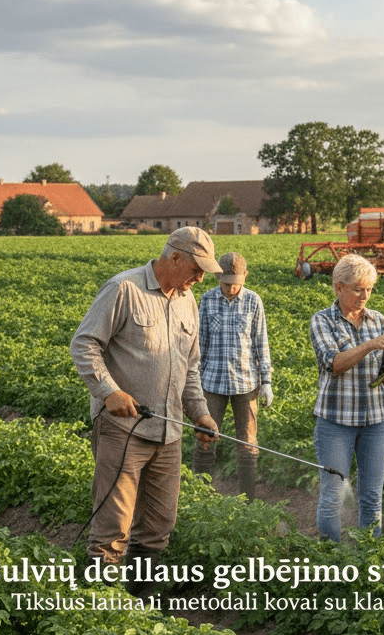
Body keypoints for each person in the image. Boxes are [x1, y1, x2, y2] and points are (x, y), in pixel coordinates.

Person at [71, 227, 221, 593]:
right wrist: (109, 391)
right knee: (112, 526)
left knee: (157, 527)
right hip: (124, 432)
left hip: (168, 433)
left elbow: (190, 369)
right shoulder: (125, 289)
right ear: (174, 258)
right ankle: (98, 610)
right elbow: (84, 344)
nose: (200, 278)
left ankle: (140, 610)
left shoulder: (188, 302)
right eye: (196, 269)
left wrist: (199, 413)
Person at [309, 253, 384, 542]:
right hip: (335, 422)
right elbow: (335, 364)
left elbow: (381, 375)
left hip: (376, 420)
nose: (365, 295)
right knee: (333, 493)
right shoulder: (322, 321)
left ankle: (368, 555)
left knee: (371, 495)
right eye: (357, 289)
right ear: (338, 287)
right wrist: (368, 346)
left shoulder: (378, 321)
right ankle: (329, 558)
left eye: (369, 289)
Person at [192, 252, 273, 499]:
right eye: (227, 282)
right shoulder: (206, 301)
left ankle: (247, 500)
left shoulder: (253, 301)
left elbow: (261, 342)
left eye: (236, 282)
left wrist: (266, 381)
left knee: (248, 443)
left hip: (246, 383)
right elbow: (198, 345)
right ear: (218, 276)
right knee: (205, 437)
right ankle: (199, 495)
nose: (232, 287)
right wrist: (193, 383)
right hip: (212, 382)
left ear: (245, 277)